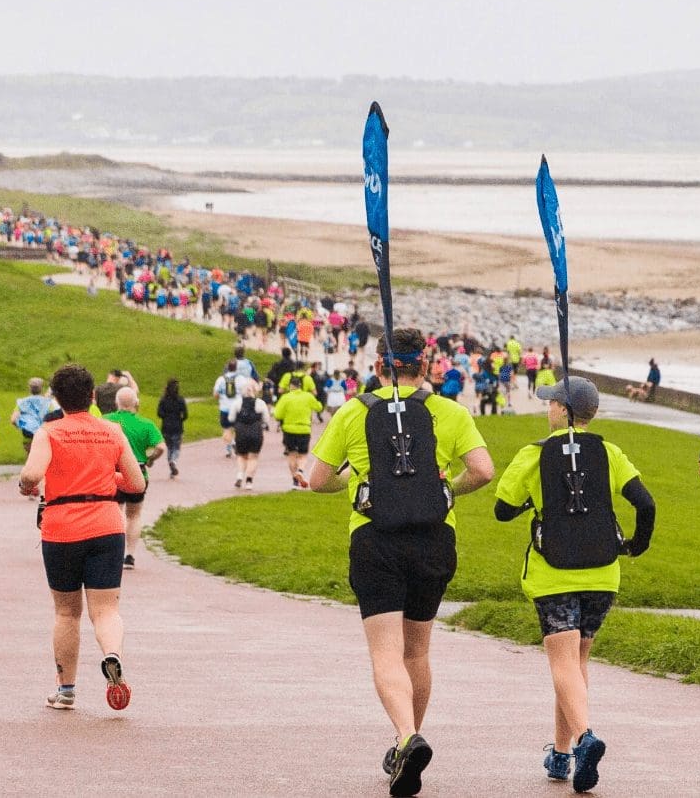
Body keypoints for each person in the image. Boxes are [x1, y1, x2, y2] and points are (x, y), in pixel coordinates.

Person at [306, 329, 495, 797]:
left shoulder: (354, 411)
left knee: (386, 652)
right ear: (426, 366)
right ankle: (406, 739)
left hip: (376, 539)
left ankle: (408, 736)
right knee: (418, 651)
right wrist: (448, 490)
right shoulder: (449, 412)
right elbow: (483, 470)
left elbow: (318, 479)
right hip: (434, 539)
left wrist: (353, 480)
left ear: (377, 366)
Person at [493, 376, 656, 793]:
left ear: (564, 411)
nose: (547, 408)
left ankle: (585, 739)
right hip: (603, 574)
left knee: (563, 664)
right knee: (575, 664)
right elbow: (645, 503)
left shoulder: (535, 454)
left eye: (552, 403)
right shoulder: (609, 452)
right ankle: (562, 755)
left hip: (554, 574)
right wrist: (636, 545)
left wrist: (536, 499)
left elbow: (502, 510)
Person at [19, 364, 145, 711]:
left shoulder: (49, 432)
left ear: (58, 399)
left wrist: (26, 485)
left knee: (66, 612)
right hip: (106, 524)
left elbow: (32, 473)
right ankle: (112, 654)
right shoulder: (113, 431)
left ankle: (66, 690)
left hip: (62, 527)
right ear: (92, 396)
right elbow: (136, 484)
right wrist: (107, 479)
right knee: (106, 609)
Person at [104, 387, 166, 569]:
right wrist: (150, 459)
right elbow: (161, 447)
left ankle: (113, 553)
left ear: (117, 403)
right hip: (138, 472)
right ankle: (130, 555)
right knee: (134, 515)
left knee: (115, 512)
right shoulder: (146, 424)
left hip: (113, 472)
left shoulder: (106, 421)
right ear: (136, 403)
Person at [273, 376, 323, 489]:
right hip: (304, 429)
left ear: (290, 386)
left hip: (289, 430)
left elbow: (277, 415)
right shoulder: (308, 396)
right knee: (303, 455)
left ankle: (294, 482)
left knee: (291, 454)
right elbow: (319, 407)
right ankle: (300, 470)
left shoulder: (285, 398)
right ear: (300, 385)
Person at [229, 380, 270, 490]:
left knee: (241, 455)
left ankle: (240, 474)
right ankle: (249, 481)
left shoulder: (237, 403)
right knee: (253, 457)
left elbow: (231, 418)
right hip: (256, 431)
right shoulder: (260, 403)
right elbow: (266, 419)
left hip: (241, 432)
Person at [213, 360, 250, 458]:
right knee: (239, 429)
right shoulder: (241, 379)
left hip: (225, 409)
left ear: (227, 368)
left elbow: (215, 394)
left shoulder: (221, 379)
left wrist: (222, 397)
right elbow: (246, 392)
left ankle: (232, 444)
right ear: (236, 368)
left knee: (227, 430)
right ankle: (236, 445)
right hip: (238, 408)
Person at [156, 378, 188, 479]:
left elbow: (159, 413)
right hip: (177, 426)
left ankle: (171, 465)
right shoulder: (180, 400)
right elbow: (185, 414)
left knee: (169, 447)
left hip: (166, 427)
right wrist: (180, 419)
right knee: (176, 447)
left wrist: (166, 417)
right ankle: (173, 461)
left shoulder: (163, 400)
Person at [12, 377, 52, 453]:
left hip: (28, 434)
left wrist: (22, 425)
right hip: (43, 434)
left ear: (29, 388)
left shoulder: (22, 402)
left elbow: (13, 420)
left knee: (30, 456)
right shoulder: (47, 402)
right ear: (41, 388)